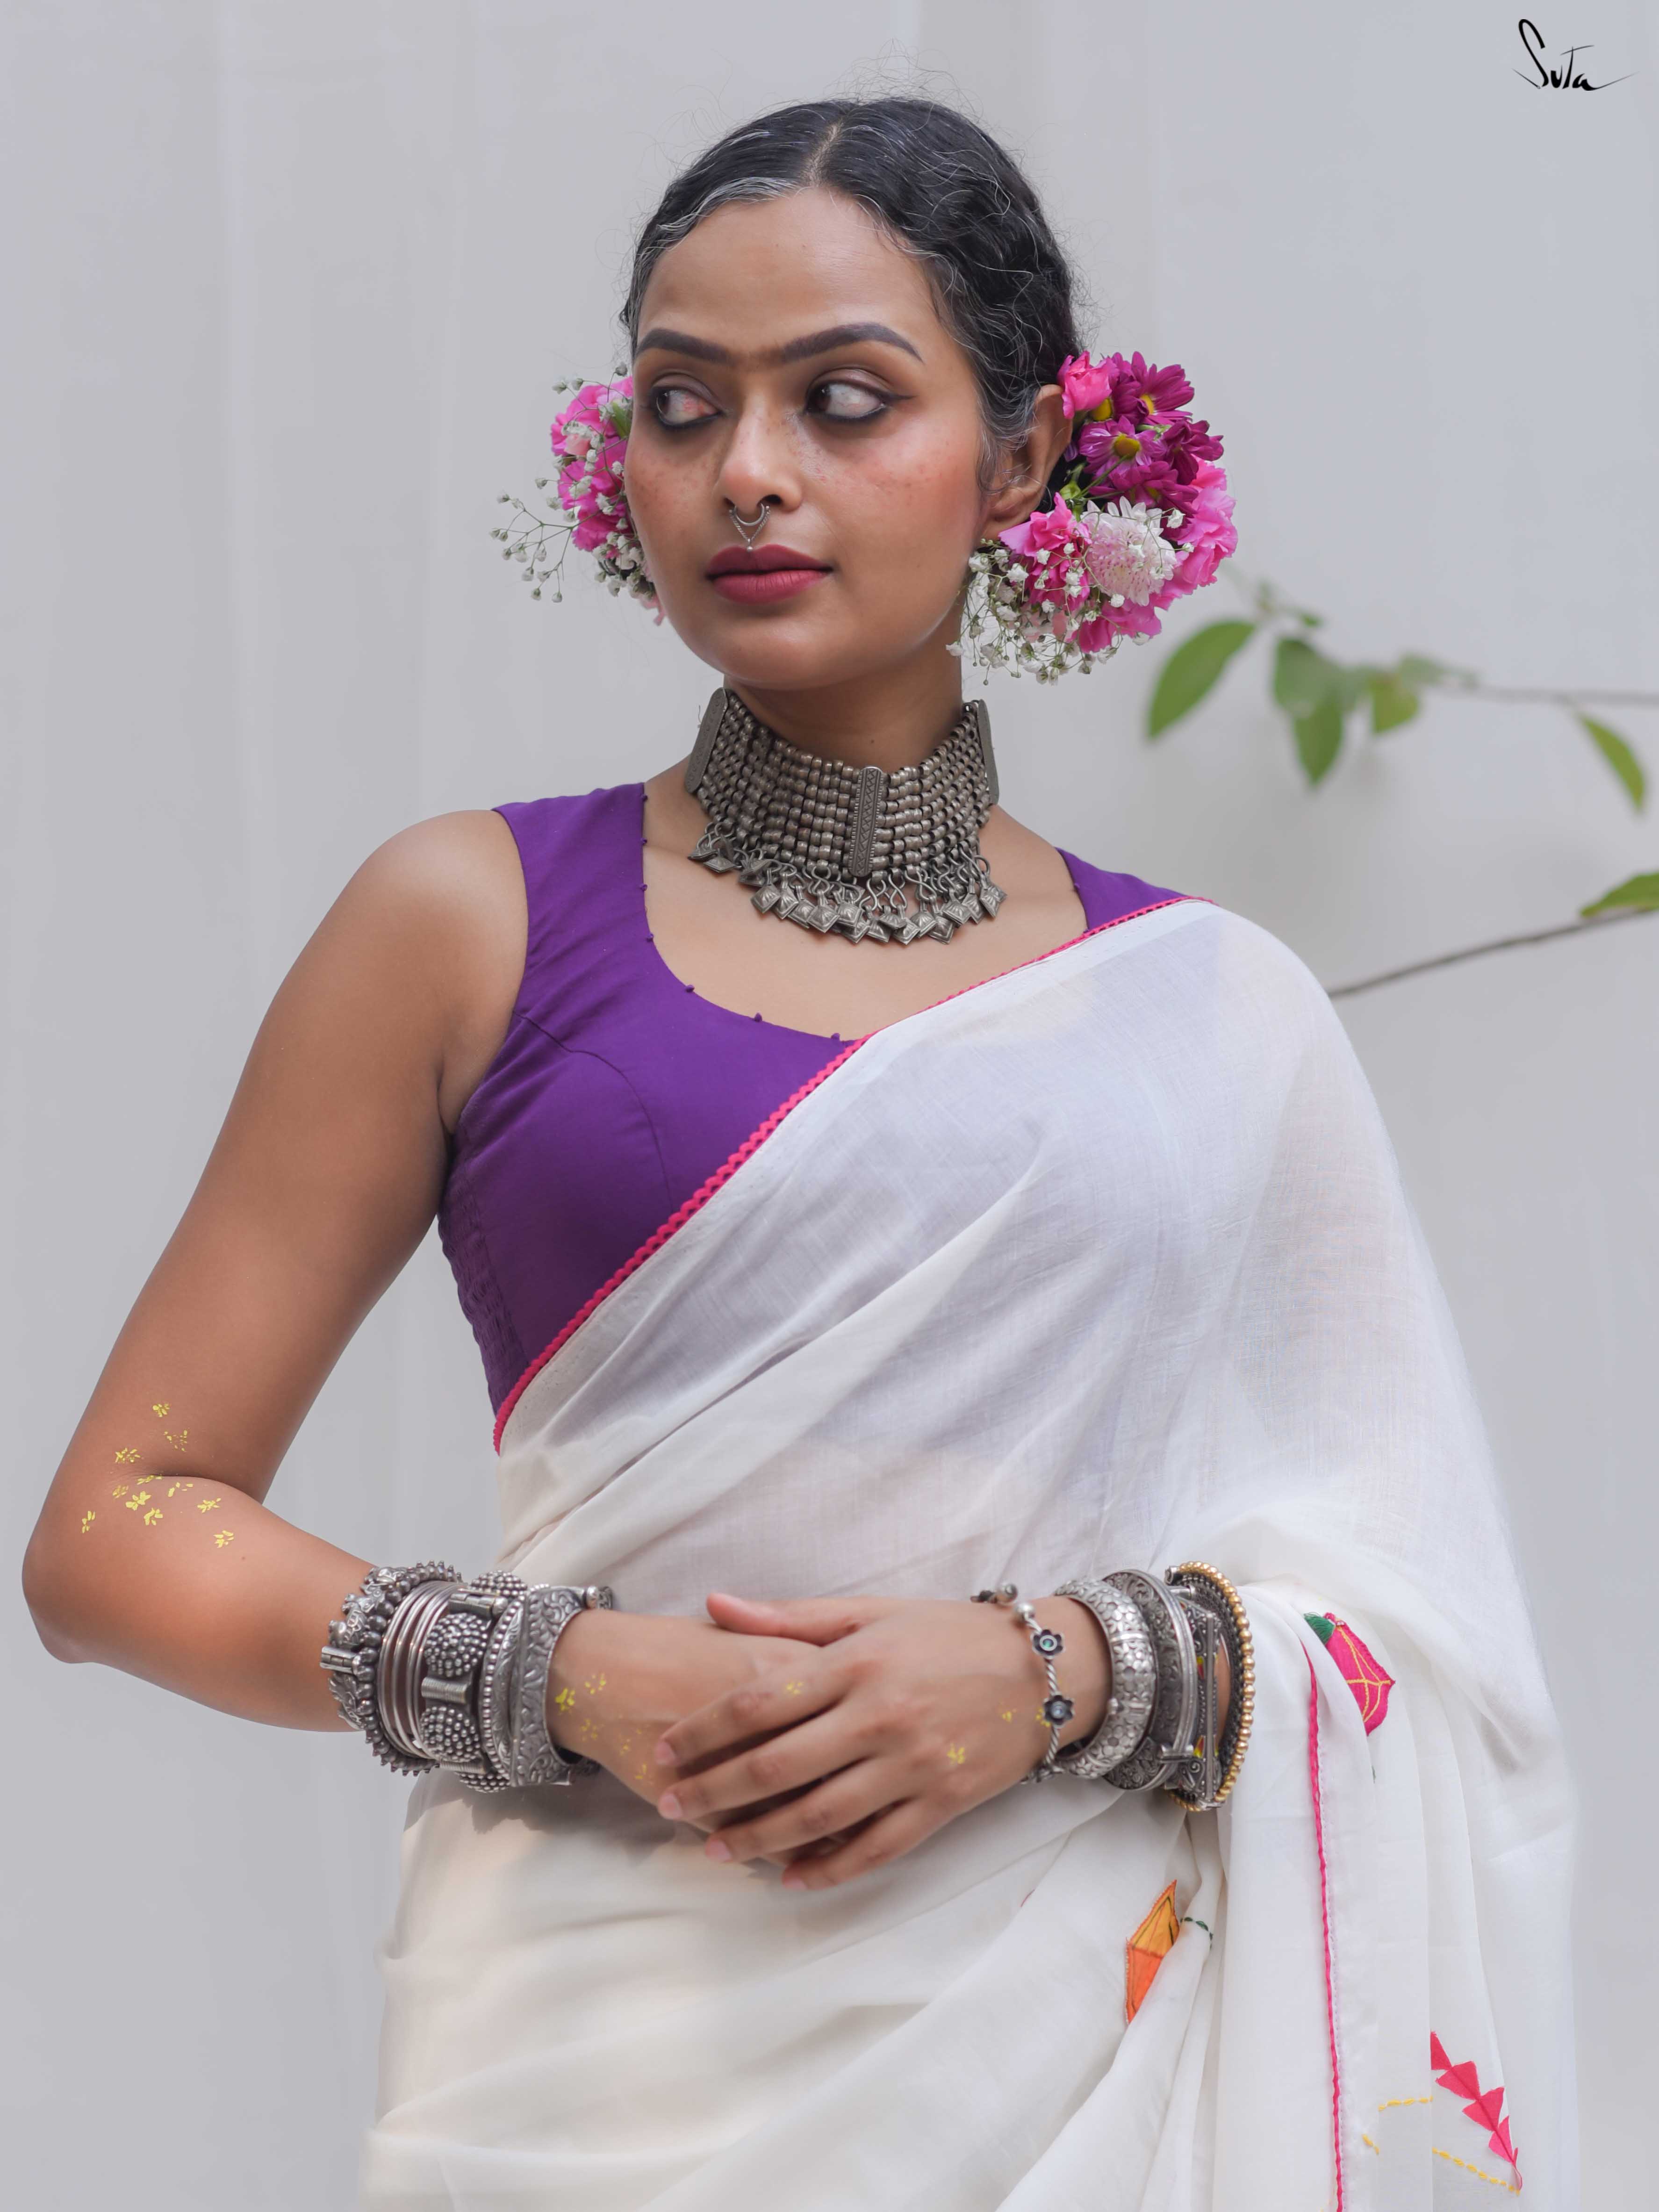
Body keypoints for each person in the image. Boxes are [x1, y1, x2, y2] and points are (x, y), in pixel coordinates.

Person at [24, 97, 1575, 2210]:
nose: (747, 470)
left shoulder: (1219, 1009)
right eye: (684, 405)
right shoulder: (465, 922)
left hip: (1086, 2056)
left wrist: (1047, 1675)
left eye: (845, 401)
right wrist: (573, 1671)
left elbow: (1428, 1640)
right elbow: (115, 1528)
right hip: (588, 2058)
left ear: (1023, 459)